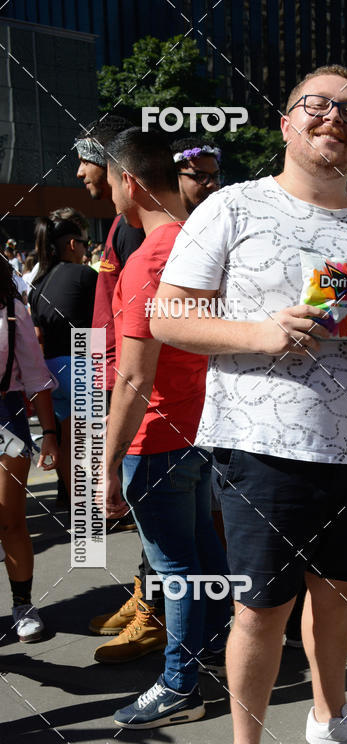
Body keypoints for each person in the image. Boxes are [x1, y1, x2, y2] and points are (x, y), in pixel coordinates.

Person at [152, 64, 347, 744]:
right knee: (260, 609)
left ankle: (330, 715)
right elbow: (169, 313)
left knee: (338, 595)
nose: (334, 118)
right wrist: (260, 333)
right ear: (285, 122)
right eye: (318, 105)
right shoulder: (234, 208)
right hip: (259, 447)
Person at [102, 127, 230, 726]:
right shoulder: (204, 244)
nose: (108, 195)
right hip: (203, 429)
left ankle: (180, 686)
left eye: (107, 182)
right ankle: (212, 652)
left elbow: (132, 378)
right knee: (202, 555)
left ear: (129, 182)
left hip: (158, 438)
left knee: (177, 568)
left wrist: (103, 464)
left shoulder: (147, 260)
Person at [75, 116, 165, 658]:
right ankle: (144, 593)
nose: (83, 174)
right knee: (147, 516)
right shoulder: (120, 220)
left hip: (139, 386)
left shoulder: (136, 222)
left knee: (156, 514)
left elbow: (143, 326)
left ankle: (157, 614)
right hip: (109, 373)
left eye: (88, 162)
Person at [0, 255, 59, 641]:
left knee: (10, 519)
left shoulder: (11, 309)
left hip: (6, 417)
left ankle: (22, 603)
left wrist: (50, 433)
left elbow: (36, 376)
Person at [28, 208, 97, 498]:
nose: (85, 249)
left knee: (69, 442)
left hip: (51, 368)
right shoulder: (84, 275)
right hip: (81, 362)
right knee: (91, 445)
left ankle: (77, 505)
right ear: (72, 244)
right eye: (83, 243)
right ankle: (99, 508)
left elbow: (38, 334)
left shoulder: (38, 283)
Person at [170, 139, 222, 214]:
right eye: (201, 177)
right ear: (174, 178)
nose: (212, 185)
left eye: (216, 176)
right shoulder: (156, 222)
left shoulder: (225, 221)